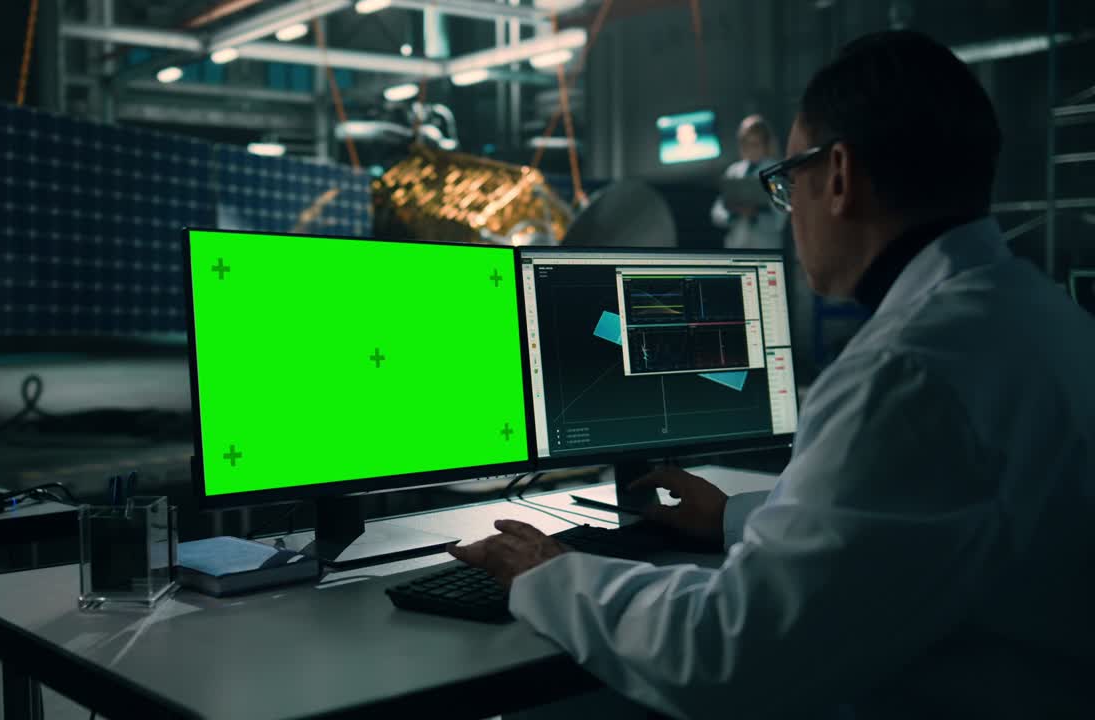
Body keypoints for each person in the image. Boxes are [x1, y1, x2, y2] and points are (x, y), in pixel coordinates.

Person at [450, 30, 1094, 719]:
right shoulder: (1043, 316)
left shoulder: (906, 374)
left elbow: (728, 654)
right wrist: (733, 516)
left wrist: (553, 578)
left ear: (838, 175)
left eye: (786, 183)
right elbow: (917, 518)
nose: (789, 215)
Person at [710, 114, 787, 250]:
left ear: (766, 144)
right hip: (737, 246)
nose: (751, 149)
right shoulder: (733, 171)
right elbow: (717, 213)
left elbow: (781, 218)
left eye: (755, 144)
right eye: (746, 144)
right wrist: (734, 213)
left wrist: (756, 213)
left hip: (766, 246)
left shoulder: (775, 172)